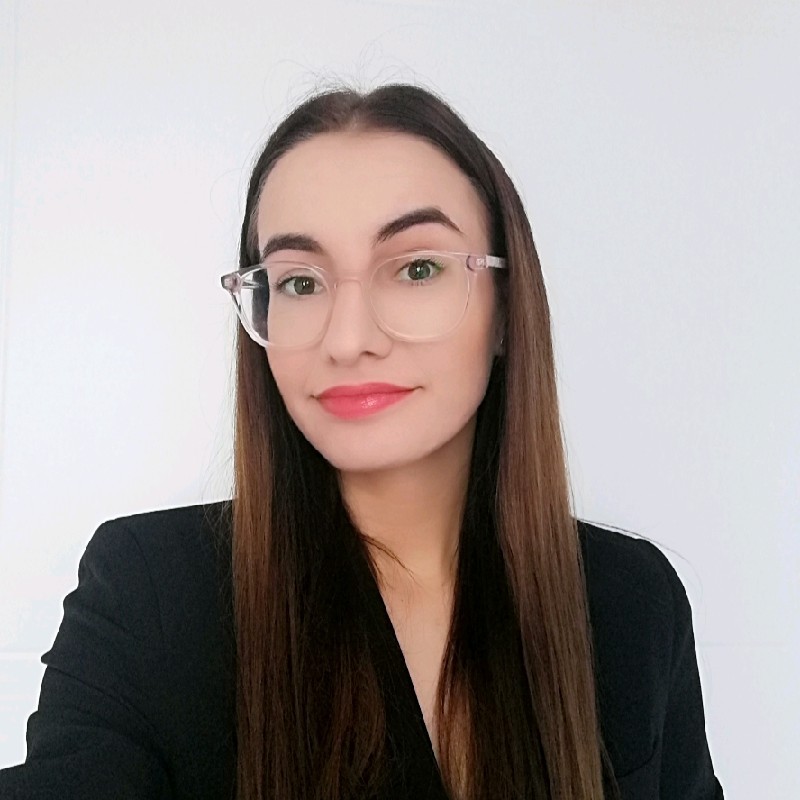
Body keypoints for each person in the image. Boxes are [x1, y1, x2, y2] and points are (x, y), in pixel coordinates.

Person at [0, 83, 724, 800]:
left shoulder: (632, 601)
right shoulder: (152, 594)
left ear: (506, 309)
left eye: (416, 269)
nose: (347, 340)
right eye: (300, 283)